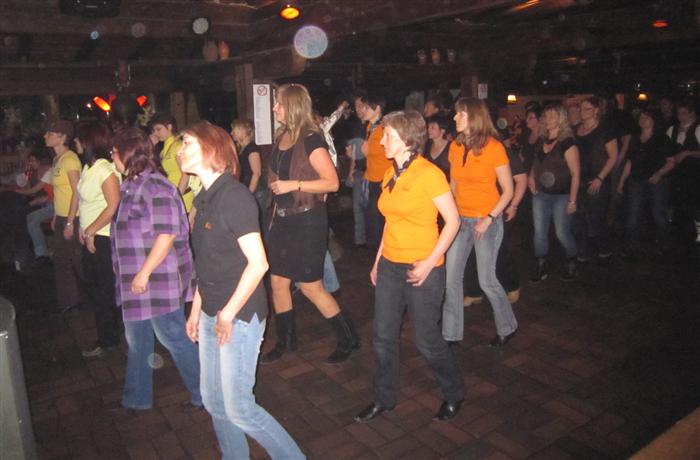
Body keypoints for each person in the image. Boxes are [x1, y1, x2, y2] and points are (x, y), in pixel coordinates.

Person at [179, 121, 304, 459]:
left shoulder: (234, 197)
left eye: (187, 143)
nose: (180, 150)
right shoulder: (203, 197)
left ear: (211, 149)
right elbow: (208, 263)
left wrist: (228, 314)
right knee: (213, 401)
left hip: (240, 314)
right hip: (213, 311)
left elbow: (259, 264)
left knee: (240, 409)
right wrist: (196, 310)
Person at [354, 110, 463, 424]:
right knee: (382, 336)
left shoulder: (429, 174)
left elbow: (453, 221)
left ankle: (454, 392)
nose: (382, 142)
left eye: (388, 136)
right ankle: (384, 398)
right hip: (391, 265)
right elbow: (391, 222)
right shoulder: (391, 173)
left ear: (407, 139)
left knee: (426, 339)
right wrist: (378, 261)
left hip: (422, 266)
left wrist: (429, 264)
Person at [262, 83, 359, 364]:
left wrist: (295, 184)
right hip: (282, 220)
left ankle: (348, 338)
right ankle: (286, 342)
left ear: (292, 106)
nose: (274, 108)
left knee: (310, 287)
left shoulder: (311, 139)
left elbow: (332, 182)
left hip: (307, 221)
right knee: (278, 282)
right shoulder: (282, 136)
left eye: (278, 103)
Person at [110, 128, 201, 411]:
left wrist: (144, 273)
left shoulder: (156, 187)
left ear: (128, 154)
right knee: (137, 340)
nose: (112, 157)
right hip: (138, 281)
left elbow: (167, 234)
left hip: (158, 280)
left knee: (173, 337)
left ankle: (205, 394)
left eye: (114, 152)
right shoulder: (131, 185)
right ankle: (136, 399)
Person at [441, 98, 518, 347]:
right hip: (461, 220)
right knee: (451, 278)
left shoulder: (494, 147)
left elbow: (508, 190)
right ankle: (451, 333)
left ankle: (507, 326)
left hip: (487, 220)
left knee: (487, 280)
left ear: (474, 117)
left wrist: (489, 219)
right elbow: (453, 184)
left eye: (460, 114)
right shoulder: (455, 146)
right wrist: (449, 213)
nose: (455, 118)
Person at [75, 122, 122, 357]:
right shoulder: (89, 167)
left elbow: (113, 206)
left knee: (103, 290)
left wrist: (90, 230)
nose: (75, 142)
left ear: (89, 141)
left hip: (103, 237)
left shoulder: (105, 169)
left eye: (79, 139)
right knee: (95, 287)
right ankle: (109, 334)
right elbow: (85, 201)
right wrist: (82, 227)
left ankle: (108, 339)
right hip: (91, 235)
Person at [529, 103, 581, 281]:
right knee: (539, 231)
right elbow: (536, 163)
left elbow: (575, 174)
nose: (549, 119)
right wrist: (531, 177)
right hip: (541, 194)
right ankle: (541, 266)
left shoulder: (568, 143)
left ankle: (572, 261)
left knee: (561, 233)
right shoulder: (542, 140)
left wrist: (572, 201)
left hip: (562, 195)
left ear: (561, 119)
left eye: (553, 116)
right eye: (546, 116)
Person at [618, 110, 676, 259]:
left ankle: (665, 245)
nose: (643, 120)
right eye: (641, 117)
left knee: (658, 214)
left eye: (646, 117)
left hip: (657, 181)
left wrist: (659, 174)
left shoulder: (662, 138)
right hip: (636, 180)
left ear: (654, 120)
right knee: (633, 215)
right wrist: (622, 181)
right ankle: (632, 249)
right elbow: (630, 162)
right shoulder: (635, 139)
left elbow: (671, 161)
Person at [573, 96, 618, 263]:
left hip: (598, 179)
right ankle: (582, 251)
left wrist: (600, 178)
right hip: (579, 180)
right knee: (578, 217)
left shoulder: (605, 130)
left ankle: (604, 249)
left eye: (587, 109)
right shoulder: (576, 130)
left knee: (596, 217)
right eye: (581, 108)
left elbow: (613, 157)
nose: (582, 112)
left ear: (596, 111)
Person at [46, 119, 83, 313]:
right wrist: (55, 216)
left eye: (50, 133)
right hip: (61, 216)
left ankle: (100, 296)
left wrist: (69, 222)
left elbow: (77, 191)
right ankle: (69, 301)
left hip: (73, 217)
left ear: (62, 138)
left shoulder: (70, 159)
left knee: (77, 259)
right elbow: (58, 193)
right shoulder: (57, 160)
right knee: (60, 259)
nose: (45, 136)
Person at [358, 93, 393, 249]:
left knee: (380, 221)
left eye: (366, 107)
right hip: (371, 178)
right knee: (372, 221)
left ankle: (385, 251)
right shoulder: (370, 127)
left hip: (383, 180)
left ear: (377, 108)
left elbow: (387, 153)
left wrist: (366, 152)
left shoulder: (384, 128)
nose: (363, 110)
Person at [666, 99, 700, 245]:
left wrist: (687, 153)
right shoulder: (672, 129)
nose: (680, 116)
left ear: (692, 114)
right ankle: (673, 230)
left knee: (694, 203)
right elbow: (665, 148)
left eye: (684, 113)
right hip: (676, 173)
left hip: (694, 172)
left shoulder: (698, 128)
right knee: (674, 202)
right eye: (678, 113)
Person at [150, 112, 197, 213]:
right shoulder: (165, 148)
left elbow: (186, 175)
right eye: (154, 130)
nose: (156, 133)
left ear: (169, 127)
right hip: (172, 194)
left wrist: (176, 197)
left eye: (159, 129)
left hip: (182, 197)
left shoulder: (177, 147)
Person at [230, 118, 266, 212]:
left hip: (256, 192)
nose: (231, 133)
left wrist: (249, 194)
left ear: (242, 131)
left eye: (234, 130)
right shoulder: (242, 149)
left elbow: (256, 174)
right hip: (250, 191)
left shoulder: (252, 149)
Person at [424, 114, 452, 179]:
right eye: (428, 127)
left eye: (432, 127)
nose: (428, 130)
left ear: (442, 130)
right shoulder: (426, 146)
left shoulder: (451, 147)